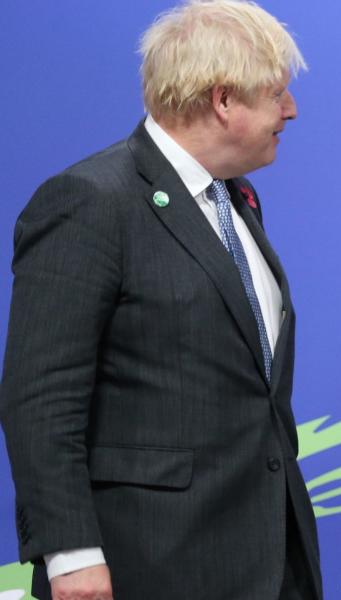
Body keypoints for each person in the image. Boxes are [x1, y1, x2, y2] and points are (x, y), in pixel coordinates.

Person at [0, 1, 322, 598]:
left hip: (268, 560)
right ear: (223, 100)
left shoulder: (236, 199)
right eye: (276, 94)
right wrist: (70, 554)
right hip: (148, 564)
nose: (291, 110)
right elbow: (40, 397)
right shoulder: (90, 201)